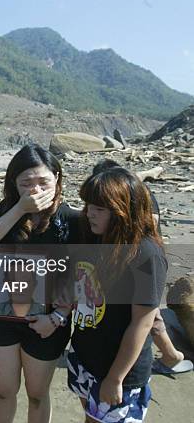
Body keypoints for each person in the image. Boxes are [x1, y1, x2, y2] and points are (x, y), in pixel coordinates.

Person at [0, 144, 79, 423]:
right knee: (4, 391)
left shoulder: (70, 219)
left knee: (36, 394)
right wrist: (19, 209)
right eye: (26, 183)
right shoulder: (8, 211)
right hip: (6, 316)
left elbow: (83, 276)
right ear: (14, 184)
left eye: (43, 181)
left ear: (57, 178)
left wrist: (58, 317)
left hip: (48, 322)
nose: (35, 190)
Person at [69, 167, 168, 423]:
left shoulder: (146, 255)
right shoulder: (95, 238)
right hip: (85, 357)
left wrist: (115, 378)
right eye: (88, 204)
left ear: (125, 211)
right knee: (91, 418)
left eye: (100, 208)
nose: (90, 213)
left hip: (119, 371)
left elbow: (143, 322)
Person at [91, 159, 192, 375]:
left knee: (147, 315)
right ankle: (172, 355)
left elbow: (151, 221)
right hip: (129, 257)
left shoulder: (138, 196)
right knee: (149, 314)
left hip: (140, 262)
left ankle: (171, 355)